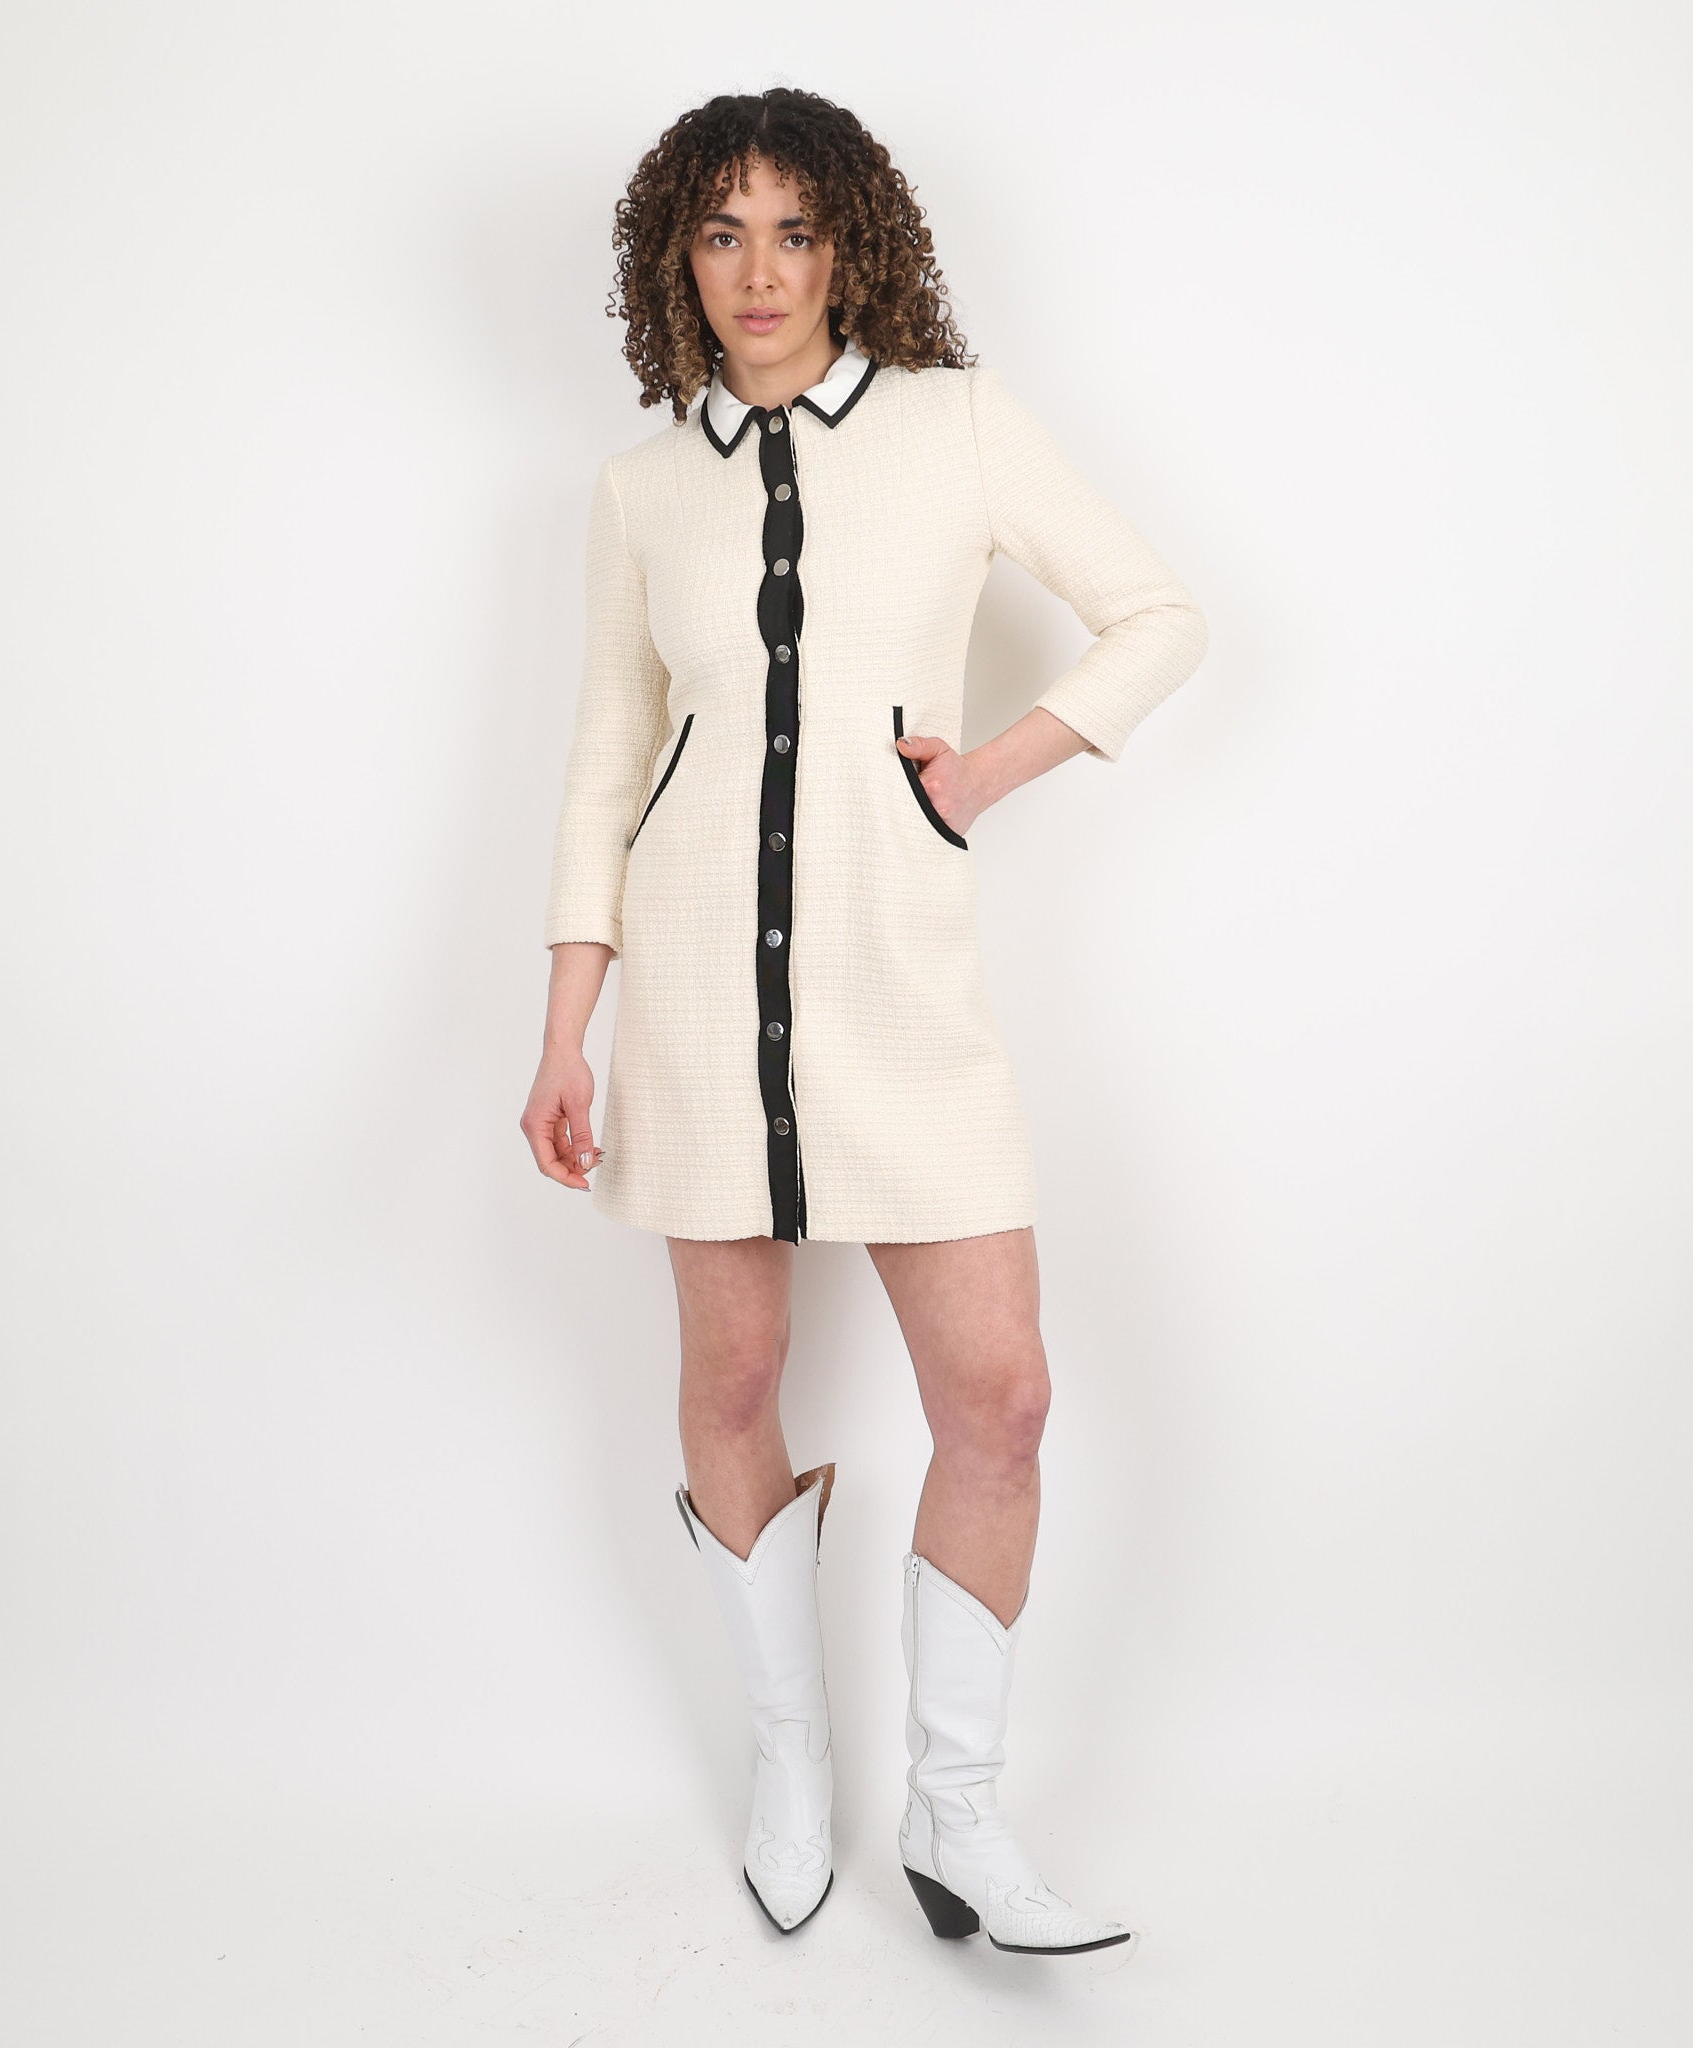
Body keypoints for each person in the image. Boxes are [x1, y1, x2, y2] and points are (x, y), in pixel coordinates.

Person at [521, 87, 1208, 1955]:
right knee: (733, 1385)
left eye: (796, 231)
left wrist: (980, 772)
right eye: (721, 232)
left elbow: (1156, 616)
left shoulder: (955, 426)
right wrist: (567, 1027)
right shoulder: (640, 488)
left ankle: (957, 1814)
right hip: (690, 1002)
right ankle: (789, 1767)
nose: (759, 271)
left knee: (1004, 1400)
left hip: (902, 995)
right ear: (675, 255)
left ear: (854, 248)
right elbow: (605, 763)